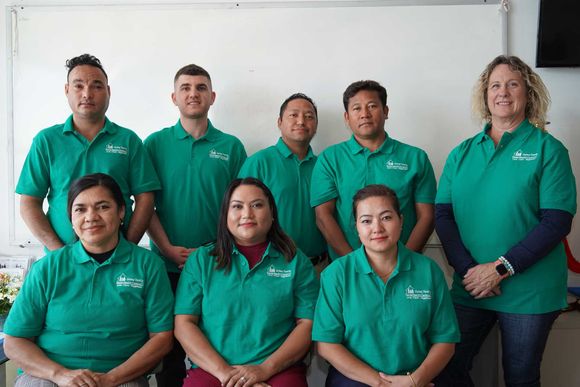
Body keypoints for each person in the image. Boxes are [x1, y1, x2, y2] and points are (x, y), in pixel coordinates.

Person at [434, 55, 577, 387]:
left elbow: (556, 222)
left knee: (520, 377)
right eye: (495, 85)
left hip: (529, 290)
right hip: (470, 285)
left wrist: (499, 268)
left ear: (528, 93)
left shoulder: (548, 150)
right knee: (445, 367)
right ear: (485, 96)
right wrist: (470, 270)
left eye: (513, 84)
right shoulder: (462, 153)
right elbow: (443, 215)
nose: (503, 92)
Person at [4, 173, 174, 387]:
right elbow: (14, 341)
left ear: (121, 211)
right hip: (47, 375)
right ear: (71, 218)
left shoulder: (148, 266)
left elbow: (162, 338)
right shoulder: (48, 268)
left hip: (121, 377)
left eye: (103, 207)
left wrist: (111, 379)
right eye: (80, 209)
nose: (91, 216)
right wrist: (60, 374)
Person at [144, 63, 247, 387]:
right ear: (174, 97)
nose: (193, 93)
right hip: (167, 266)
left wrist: (219, 250)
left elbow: (241, 208)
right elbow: (146, 205)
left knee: (218, 344)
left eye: (201, 87)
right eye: (186, 88)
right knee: (170, 351)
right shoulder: (155, 144)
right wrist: (168, 250)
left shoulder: (231, 147)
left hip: (220, 265)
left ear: (212, 96)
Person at [174, 177, 319, 387]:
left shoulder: (296, 262)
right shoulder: (201, 260)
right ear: (225, 215)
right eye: (237, 206)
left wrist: (263, 370)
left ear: (272, 214)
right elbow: (184, 324)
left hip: (277, 370)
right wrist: (228, 375)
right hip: (213, 369)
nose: (247, 214)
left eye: (257, 205)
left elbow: (307, 325)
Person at [313, 184, 459, 386]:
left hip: (415, 377)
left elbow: (446, 340)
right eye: (366, 221)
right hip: (355, 378)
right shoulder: (336, 274)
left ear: (401, 221)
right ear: (356, 227)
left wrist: (415, 381)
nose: (377, 228)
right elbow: (327, 345)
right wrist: (381, 384)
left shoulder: (428, 271)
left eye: (386, 217)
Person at [16, 54, 159, 250]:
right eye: (79, 86)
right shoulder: (46, 141)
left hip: (118, 263)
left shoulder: (129, 141)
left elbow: (146, 199)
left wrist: (127, 248)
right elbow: (29, 203)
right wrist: (60, 254)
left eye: (96, 86)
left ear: (108, 91)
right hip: (62, 262)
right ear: (67, 90)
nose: (87, 94)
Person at [311, 80, 436, 260]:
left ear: (385, 111)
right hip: (347, 267)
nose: (365, 114)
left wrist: (404, 260)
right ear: (347, 117)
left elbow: (427, 217)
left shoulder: (415, 158)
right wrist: (354, 264)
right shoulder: (330, 158)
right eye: (357, 108)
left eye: (372, 106)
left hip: (403, 267)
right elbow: (323, 217)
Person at [238, 93, 327, 272]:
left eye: (309, 117)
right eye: (293, 115)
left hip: (318, 267)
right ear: (279, 122)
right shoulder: (259, 163)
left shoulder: (324, 165)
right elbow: (238, 215)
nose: (301, 121)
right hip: (272, 267)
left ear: (316, 125)